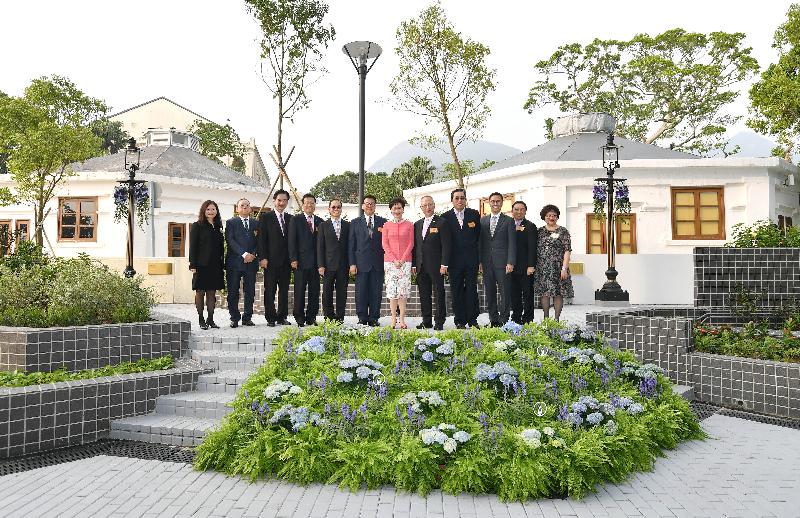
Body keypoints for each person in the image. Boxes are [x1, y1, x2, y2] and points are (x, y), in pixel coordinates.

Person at [441, 188, 481, 328]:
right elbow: (444, 242)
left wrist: (479, 260)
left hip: (471, 260)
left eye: (462, 198)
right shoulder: (445, 217)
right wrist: (444, 262)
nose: (460, 200)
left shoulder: (474, 214)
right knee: (456, 290)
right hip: (454, 262)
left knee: (471, 290)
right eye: (457, 198)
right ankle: (460, 320)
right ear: (452, 200)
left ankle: (473, 320)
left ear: (466, 200)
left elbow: (478, 238)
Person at [413, 195, 450, 330]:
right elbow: (416, 246)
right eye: (424, 205)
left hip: (437, 266)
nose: (427, 207)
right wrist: (414, 264)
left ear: (434, 205)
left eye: (430, 204)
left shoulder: (442, 223)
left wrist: (444, 264)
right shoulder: (417, 224)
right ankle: (426, 321)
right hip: (421, 266)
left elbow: (447, 245)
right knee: (424, 294)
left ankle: (439, 321)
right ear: (421, 208)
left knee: (439, 293)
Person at [348, 195, 386, 326]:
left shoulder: (383, 222)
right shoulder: (355, 222)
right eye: (367, 203)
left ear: (375, 206)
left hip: (377, 264)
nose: (369, 205)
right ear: (363, 206)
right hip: (361, 264)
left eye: (372, 203)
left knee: (376, 292)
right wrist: (352, 263)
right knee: (361, 292)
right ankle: (362, 317)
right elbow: (351, 245)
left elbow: (386, 244)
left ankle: (374, 318)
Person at [480, 192, 516, 326]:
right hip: (487, 262)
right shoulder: (482, 220)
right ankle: (493, 320)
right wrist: (480, 261)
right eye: (493, 201)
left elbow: (512, 243)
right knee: (490, 292)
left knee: (505, 292)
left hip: (503, 263)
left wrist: (511, 262)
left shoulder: (508, 220)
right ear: (489, 202)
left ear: (502, 203)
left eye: (498, 201)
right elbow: (481, 242)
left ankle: (504, 319)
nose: (495, 203)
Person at [258, 189, 292, 327]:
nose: (281, 203)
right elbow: (261, 239)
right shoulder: (266, 217)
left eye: (284, 200)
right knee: (270, 290)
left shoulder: (290, 218)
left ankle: (282, 317)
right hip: (270, 261)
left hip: (286, 261)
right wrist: (263, 258)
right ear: (274, 201)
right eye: (279, 200)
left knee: (284, 290)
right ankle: (270, 318)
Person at [188, 200, 225, 330]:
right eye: (208, 209)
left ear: (216, 211)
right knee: (200, 292)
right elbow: (193, 247)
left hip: (215, 265)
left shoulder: (218, 226)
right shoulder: (197, 225)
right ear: (204, 211)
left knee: (211, 293)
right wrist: (192, 264)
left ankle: (210, 319)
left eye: (213, 209)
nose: (211, 211)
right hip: (201, 265)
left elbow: (221, 248)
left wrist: (222, 264)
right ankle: (201, 319)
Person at [288, 193, 323, 327]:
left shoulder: (320, 221)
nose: (309, 205)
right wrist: (293, 258)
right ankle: (299, 316)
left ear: (315, 205)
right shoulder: (295, 220)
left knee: (314, 291)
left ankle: (311, 316)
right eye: (307, 202)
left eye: (312, 203)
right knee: (300, 290)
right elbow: (292, 241)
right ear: (302, 205)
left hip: (316, 263)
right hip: (300, 262)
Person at [535, 204, 573, 321]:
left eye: (554, 215)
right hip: (542, 267)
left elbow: (567, 250)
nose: (551, 217)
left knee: (558, 293)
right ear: (544, 217)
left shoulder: (563, 231)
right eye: (549, 215)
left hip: (558, 268)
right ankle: (546, 319)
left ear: (557, 217)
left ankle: (556, 320)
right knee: (545, 293)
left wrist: (564, 268)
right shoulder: (539, 231)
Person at [225, 198, 260, 328]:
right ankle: (234, 318)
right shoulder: (231, 222)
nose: (245, 207)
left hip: (251, 263)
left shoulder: (256, 223)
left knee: (250, 291)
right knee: (233, 291)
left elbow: (259, 241)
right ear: (237, 209)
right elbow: (230, 240)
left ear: (250, 208)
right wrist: (244, 254)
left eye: (247, 205)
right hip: (234, 263)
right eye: (242, 205)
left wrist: (253, 254)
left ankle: (247, 318)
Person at [382, 197, 414, 329]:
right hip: (390, 263)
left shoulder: (409, 225)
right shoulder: (386, 225)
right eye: (394, 208)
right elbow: (385, 244)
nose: (397, 210)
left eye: (399, 207)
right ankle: (393, 319)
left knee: (402, 292)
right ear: (391, 210)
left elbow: (411, 243)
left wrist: (402, 259)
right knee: (392, 292)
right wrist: (394, 259)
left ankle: (402, 320)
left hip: (405, 262)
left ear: (403, 209)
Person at [317, 199, 350, 323]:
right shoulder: (323, 225)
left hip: (343, 265)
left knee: (342, 292)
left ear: (341, 209)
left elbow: (350, 246)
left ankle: (340, 317)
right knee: (327, 292)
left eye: (338, 207)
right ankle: (329, 317)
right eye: (333, 207)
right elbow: (320, 246)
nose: (336, 209)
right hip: (328, 265)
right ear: (329, 209)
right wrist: (320, 265)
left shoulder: (348, 225)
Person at [508, 201, 538, 324]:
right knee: (514, 295)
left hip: (526, 268)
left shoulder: (530, 226)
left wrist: (531, 265)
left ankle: (528, 319)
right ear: (512, 211)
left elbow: (532, 247)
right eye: (516, 209)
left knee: (527, 295)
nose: (519, 212)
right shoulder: (508, 224)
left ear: (525, 211)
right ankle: (516, 317)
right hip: (511, 267)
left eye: (522, 209)